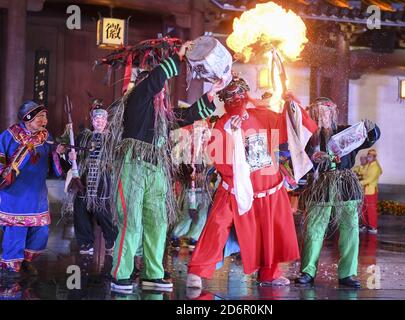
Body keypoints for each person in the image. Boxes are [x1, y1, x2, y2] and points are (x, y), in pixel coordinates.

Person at [107, 41, 224, 293]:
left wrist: (211, 95)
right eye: (159, 89)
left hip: (157, 170)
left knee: (157, 221)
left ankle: (153, 272)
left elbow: (187, 116)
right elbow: (153, 83)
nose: (162, 94)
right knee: (131, 222)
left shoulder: (162, 116)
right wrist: (178, 58)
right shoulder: (137, 99)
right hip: (133, 167)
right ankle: (121, 274)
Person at [186, 76, 300, 289]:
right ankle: (198, 271)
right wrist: (231, 133)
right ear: (225, 100)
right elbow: (218, 160)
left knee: (271, 230)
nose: (237, 99)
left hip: (268, 187)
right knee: (216, 228)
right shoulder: (221, 125)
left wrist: (290, 105)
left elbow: (287, 130)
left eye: (240, 94)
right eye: (231, 96)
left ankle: (270, 274)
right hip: (234, 190)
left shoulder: (262, 115)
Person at [297, 97, 380, 288]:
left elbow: (368, 140)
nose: (323, 116)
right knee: (313, 229)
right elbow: (300, 160)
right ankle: (308, 271)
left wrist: (372, 129)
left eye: (326, 112)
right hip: (321, 185)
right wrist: (313, 160)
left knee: (350, 229)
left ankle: (347, 274)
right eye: (318, 112)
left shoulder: (346, 131)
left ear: (333, 113)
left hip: (345, 184)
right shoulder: (309, 137)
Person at [0, 101, 65, 278]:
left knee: (41, 231)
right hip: (15, 194)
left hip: (37, 193)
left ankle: (27, 261)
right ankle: (11, 267)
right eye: (40, 117)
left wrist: (57, 152)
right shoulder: (9, 136)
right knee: (16, 231)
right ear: (27, 119)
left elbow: (53, 158)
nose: (44, 121)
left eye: (45, 116)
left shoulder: (45, 136)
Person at [67, 100, 118, 255]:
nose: (99, 122)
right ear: (92, 120)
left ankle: (111, 238)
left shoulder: (112, 139)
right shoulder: (84, 136)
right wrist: (71, 156)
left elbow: (117, 158)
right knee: (81, 210)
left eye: (102, 119)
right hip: (84, 175)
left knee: (103, 210)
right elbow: (72, 154)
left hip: (103, 179)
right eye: (97, 119)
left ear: (106, 121)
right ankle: (85, 242)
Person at [359, 149, 382, 234]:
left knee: (371, 210)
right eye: (368, 156)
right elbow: (361, 171)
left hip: (371, 191)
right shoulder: (368, 165)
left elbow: (369, 179)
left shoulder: (375, 167)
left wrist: (359, 182)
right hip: (364, 191)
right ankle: (365, 225)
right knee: (364, 209)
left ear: (374, 157)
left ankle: (373, 227)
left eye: (370, 156)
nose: (368, 158)